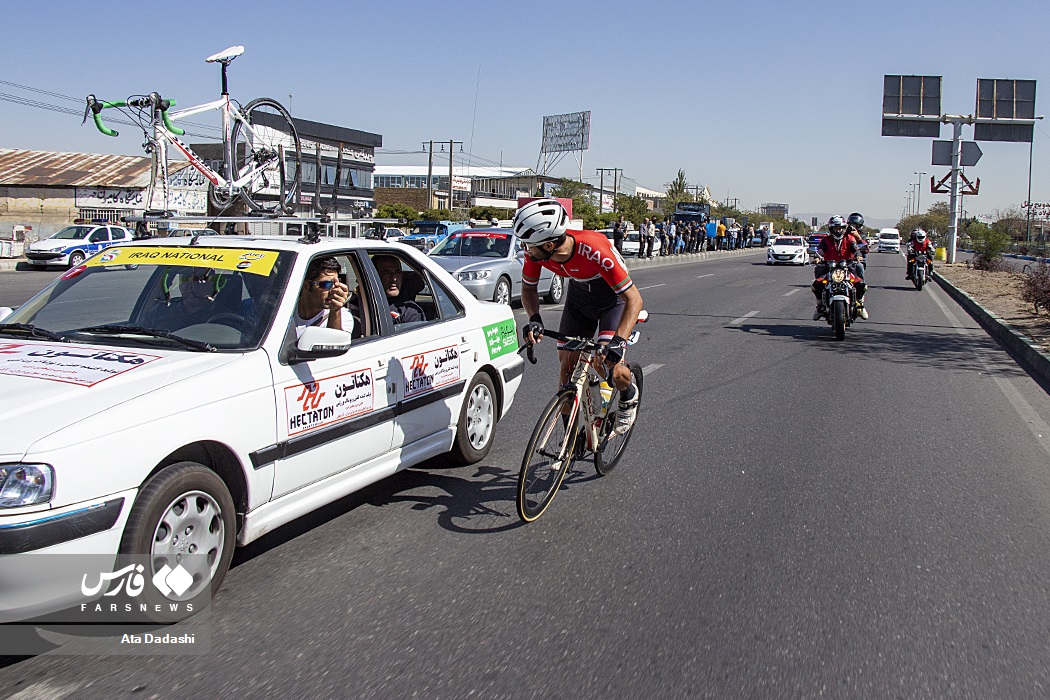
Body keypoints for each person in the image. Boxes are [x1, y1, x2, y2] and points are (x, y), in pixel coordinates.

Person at [515, 198, 643, 435]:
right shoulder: (536, 253)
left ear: (550, 245)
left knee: (607, 366)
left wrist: (618, 341)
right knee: (567, 366)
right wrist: (534, 318)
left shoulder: (594, 249)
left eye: (529, 245)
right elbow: (528, 289)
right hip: (579, 296)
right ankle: (570, 441)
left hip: (611, 298)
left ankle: (628, 393)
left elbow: (634, 299)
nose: (526, 250)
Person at [812, 215, 868, 320]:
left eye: (841, 228)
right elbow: (820, 251)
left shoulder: (850, 238)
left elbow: (857, 249)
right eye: (835, 228)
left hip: (848, 266)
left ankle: (860, 305)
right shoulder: (826, 240)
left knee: (860, 284)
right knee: (817, 284)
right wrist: (818, 258)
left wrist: (858, 256)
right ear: (831, 229)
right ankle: (819, 306)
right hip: (830, 267)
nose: (838, 230)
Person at [143, 266, 225, 331]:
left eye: (199, 280)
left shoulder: (223, 317)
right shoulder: (160, 311)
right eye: (185, 279)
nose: (191, 285)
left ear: (212, 284)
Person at [294, 256, 353, 339]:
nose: (334, 290)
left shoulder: (343, 316)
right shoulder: (286, 310)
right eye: (326, 284)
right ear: (306, 286)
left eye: (336, 284)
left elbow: (335, 345)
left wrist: (335, 311)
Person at [372, 254, 425, 324]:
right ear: (374, 276)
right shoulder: (361, 304)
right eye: (386, 273)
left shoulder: (409, 311)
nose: (394, 278)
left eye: (397, 272)